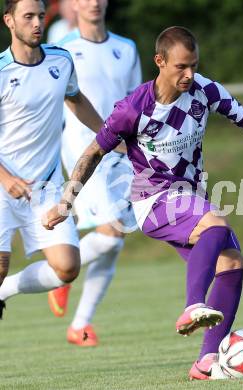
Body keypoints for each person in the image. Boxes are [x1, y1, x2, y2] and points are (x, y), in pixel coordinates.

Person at [43, 26, 243, 380]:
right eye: (181, 67)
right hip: (152, 198)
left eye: (193, 65)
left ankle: (205, 363)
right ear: (159, 61)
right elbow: (93, 152)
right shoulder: (134, 108)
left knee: (232, 262)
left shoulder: (204, 90)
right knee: (216, 225)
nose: (189, 74)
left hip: (190, 196)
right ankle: (193, 305)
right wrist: (64, 205)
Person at [0, 0, 103, 320]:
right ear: (9, 21)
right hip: (2, 187)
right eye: (27, 16)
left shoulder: (60, 60)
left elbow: (75, 99)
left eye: (41, 16)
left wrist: (109, 135)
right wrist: (6, 178)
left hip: (45, 187)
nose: (36, 23)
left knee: (67, 267)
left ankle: (4, 291)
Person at [47, 0, 142, 347]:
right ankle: (62, 272)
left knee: (113, 241)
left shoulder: (126, 48)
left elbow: (136, 102)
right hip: (82, 153)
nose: (93, 3)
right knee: (110, 233)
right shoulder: (60, 50)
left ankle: (80, 326)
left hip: (122, 153)